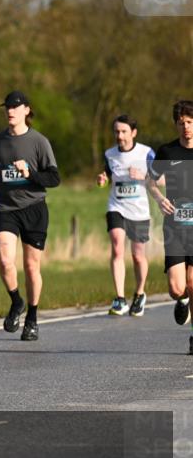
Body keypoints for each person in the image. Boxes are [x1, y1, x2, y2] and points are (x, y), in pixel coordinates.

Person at [0, 91, 60, 342]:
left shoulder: (39, 141)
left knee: (30, 265)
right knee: (6, 262)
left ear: (27, 110)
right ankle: (17, 301)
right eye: (7, 107)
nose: (10, 111)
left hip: (34, 208)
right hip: (5, 208)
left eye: (16, 107)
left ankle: (33, 318)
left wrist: (30, 173)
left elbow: (54, 179)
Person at [146, 99, 193, 354]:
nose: (186, 128)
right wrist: (160, 199)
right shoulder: (167, 152)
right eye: (181, 123)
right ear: (176, 125)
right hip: (175, 226)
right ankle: (182, 300)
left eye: (190, 122)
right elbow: (149, 181)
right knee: (177, 288)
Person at [97, 115, 154, 316]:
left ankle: (139, 293)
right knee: (117, 244)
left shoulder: (146, 153)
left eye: (123, 132)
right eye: (116, 132)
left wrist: (143, 177)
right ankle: (120, 299)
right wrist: (102, 180)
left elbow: (162, 179)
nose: (119, 136)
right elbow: (107, 177)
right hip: (117, 205)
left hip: (139, 210)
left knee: (138, 256)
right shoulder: (109, 154)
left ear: (133, 133)